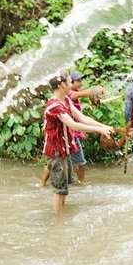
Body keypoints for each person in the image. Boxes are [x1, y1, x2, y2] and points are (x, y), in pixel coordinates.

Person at [42, 73, 114, 214]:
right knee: (59, 190)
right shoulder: (54, 106)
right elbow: (74, 125)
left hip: (66, 148)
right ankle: (58, 223)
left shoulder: (66, 101)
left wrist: (103, 126)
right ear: (61, 85)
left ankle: (61, 215)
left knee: (64, 189)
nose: (72, 85)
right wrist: (99, 130)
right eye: (69, 82)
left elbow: (81, 117)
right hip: (57, 151)